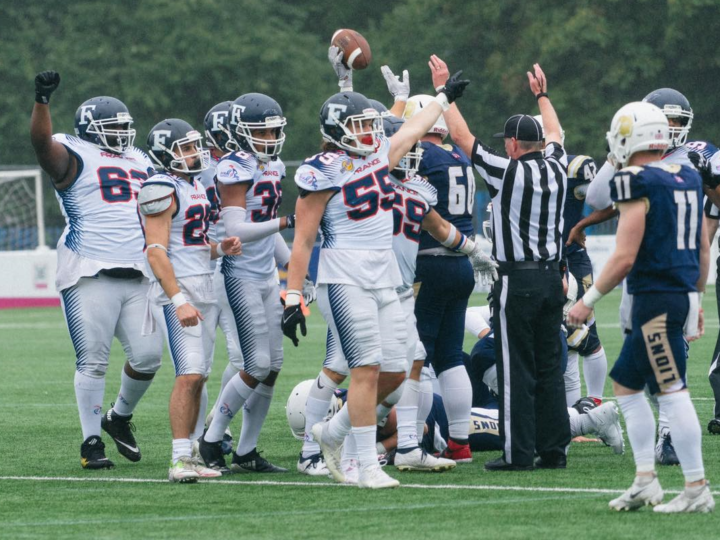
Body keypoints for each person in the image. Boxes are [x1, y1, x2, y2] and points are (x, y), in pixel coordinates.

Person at [281, 70, 470, 488]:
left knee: (399, 370)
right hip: (345, 278)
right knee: (365, 368)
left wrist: (442, 97)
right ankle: (365, 464)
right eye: (360, 125)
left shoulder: (378, 157)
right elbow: (303, 240)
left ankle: (334, 431)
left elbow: (414, 127)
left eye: (371, 124)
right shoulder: (320, 170)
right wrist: (293, 294)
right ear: (335, 129)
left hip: (384, 276)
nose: (369, 131)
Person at [567, 101, 713, 513]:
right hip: (677, 293)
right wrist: (697, 299)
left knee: (671, 392)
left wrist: (587, 301)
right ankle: (646, 479)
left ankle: (696, 487)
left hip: (655, 298)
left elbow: (624, 256)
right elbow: (703, 246)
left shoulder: (635, 178)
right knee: (627, 387)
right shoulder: (687, 174)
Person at [434, 57, 571, 471]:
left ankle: (519, 454)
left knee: (516, 371)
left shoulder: (507, 171)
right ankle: (554, 450)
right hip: (553, 279)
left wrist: (443, 93)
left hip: (518, 282)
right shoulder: (559, 165)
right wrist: (543, 95)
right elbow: (557, 133)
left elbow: (461, 137)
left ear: (512, 145)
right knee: (549, 367)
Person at [30, 70, 164, 469]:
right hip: (89, 270)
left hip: (140, 271)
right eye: (112, 127)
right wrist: (42, 100)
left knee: (148, 358)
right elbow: (40, 144)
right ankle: (91, 444)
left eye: (125, 127)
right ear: (90, 129)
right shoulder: (72, 151)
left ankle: (118, 417)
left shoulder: (141, 158)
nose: (121, 134)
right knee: (92, 360)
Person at [198, 93, 301, 474]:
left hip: (265, 276)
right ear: (241, 132)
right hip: (236, 275)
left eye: (275, 129)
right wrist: (288, 222)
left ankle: (246, 450)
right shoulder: (234, 166)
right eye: (263, 130)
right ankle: (211, 440)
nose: (272, 136)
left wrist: (294, 266)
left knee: (272, 365)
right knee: (254, 363)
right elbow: (237, 228)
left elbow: (267, 224)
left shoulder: (271, 165)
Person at [140, 118, 242, 483]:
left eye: (193, 146)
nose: (193, 154)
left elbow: (191, 244)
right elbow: (155, 251)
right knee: (189, 375)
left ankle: (193, 451)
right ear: (166, 154)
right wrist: (178, 299)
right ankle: (179, 458)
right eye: (183, 148)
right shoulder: (159, 186)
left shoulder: (194, 185)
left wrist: (219, 249)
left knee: (200, 377)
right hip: (180, 291)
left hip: (203, 287)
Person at [401, 89, 478, 464]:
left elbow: (389, 153)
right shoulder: (458, 155)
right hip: (461, 262)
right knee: (451, 356)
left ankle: (414, 441)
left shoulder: (421, 155)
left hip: (428, 262)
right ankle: (460, 443)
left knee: (419, 357)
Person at [533, 116, 607, 407]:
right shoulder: (517, 169)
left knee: (584, 331)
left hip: (571, 258)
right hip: (540, 262)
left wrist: (580, 225)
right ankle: (564, 409)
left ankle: (594, 403)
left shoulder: (576, 167)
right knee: (555, 335)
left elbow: (606, 200)